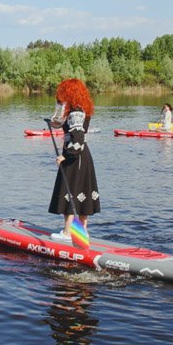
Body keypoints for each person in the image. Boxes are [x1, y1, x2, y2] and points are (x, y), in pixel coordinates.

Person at [48, 78, 100, 242]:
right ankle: (82, 232)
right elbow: (63, 125)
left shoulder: (75, 113)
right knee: (81, 193)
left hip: (74, 158)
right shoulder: (81, 110)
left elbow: (77, 138)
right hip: (83, 157)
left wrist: (66, 155)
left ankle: (67, 233)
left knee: (69, 192)